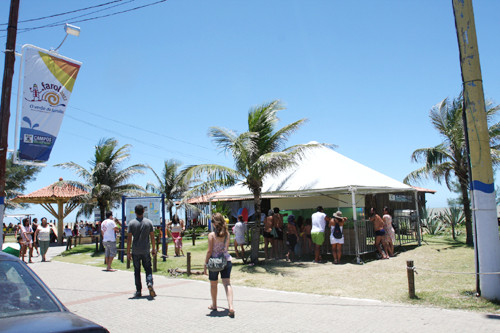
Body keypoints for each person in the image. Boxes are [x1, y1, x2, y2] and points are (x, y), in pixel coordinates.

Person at [203, 212, 234, 317]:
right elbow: (226, 248)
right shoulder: (227, 234)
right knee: (227, 283)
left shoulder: (211, 235)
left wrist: (205, 263)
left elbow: (209, 251)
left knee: (213, 284)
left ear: (214, 224)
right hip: (226, 260)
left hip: (214, 262)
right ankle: (231, 306)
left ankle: (214, 304)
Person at [127, 204, 157, 298]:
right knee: (148, 269)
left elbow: (129, 239)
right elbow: (152, 236)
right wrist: (153, 248)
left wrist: (128, 252)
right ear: (144, 211)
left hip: (135, 250)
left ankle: (138, 291)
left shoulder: (131, 223)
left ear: (135, 212)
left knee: (137, 271)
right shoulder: (149, 222)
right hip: (145, 250)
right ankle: (149, 282)